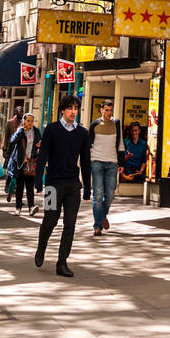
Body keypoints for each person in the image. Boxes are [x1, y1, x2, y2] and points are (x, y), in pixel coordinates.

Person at [34, 95, 91, 276]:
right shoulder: (51, 129)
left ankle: (62, 262)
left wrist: (88, 188)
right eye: (70, 108)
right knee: (50, 220)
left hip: (73, 186)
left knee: (70, 224)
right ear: (62, 110)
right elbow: (42, 156)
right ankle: (41, 248)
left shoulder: (83, 133)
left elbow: (87, 161)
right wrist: (38, 181)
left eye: (76, 108)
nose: (73, 111)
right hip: (52, 185)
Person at [89, 100, 124, 236]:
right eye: (106, 110)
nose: (109, 113)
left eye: (111, 110)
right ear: (101, 110)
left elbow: (120, 144)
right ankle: (97, 226)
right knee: (98, 194)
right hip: (97, 161)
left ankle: (102, 215)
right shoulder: (95, 124)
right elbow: (88, 143)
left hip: (112, 163)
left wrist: (121, 163)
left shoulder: (116, 123)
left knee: (110, 193)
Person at [9, 113, 41, 216]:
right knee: (19, 187)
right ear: (24, 121)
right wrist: (19, 131)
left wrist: (39, 146)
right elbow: (12, 140)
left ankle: (31, 207)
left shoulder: (36, 131)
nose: (30, 123)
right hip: (20, 162)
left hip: (31, 162)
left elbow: (40, 143)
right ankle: (18, 207)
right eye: (28, 120)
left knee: (30, 187)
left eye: (32, 121)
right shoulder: (20, 131)